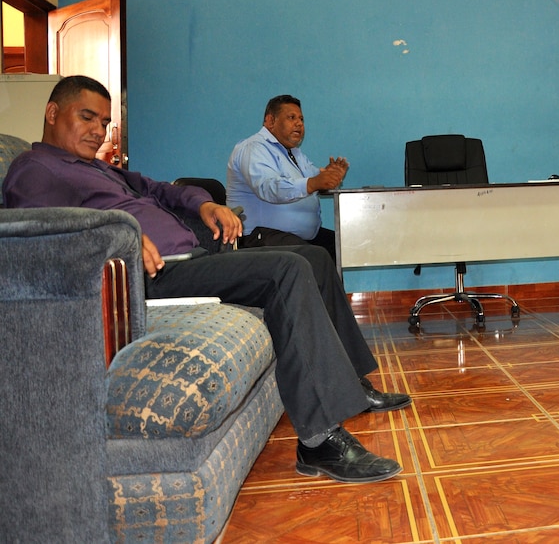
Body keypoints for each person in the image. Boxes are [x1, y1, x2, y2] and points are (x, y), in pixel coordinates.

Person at [3, 76, 411, 485]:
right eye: (87, 117)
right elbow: (41, 234)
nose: (98, 131)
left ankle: (354, 385)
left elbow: (160, 189)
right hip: (153, 276)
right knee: (287, 269)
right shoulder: (34, 169)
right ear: (53, 113)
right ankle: (319, 442)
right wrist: (117, 233)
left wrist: (206, 203)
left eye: (105, 122)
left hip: (194, 256)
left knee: (314, 258)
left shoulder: (100, 170)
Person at [227, 94, 347, 262]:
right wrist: (314, 183)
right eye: (291, 117)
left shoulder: (294, 153)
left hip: (295, 237)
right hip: (260, 237)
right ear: (270, 121)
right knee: (317, 257)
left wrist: (329, 176)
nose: (299, 123)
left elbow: (313, 179)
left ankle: (332, 290)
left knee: (344, 246)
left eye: (301, 119)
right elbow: (268, 188)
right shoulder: (254, 148)